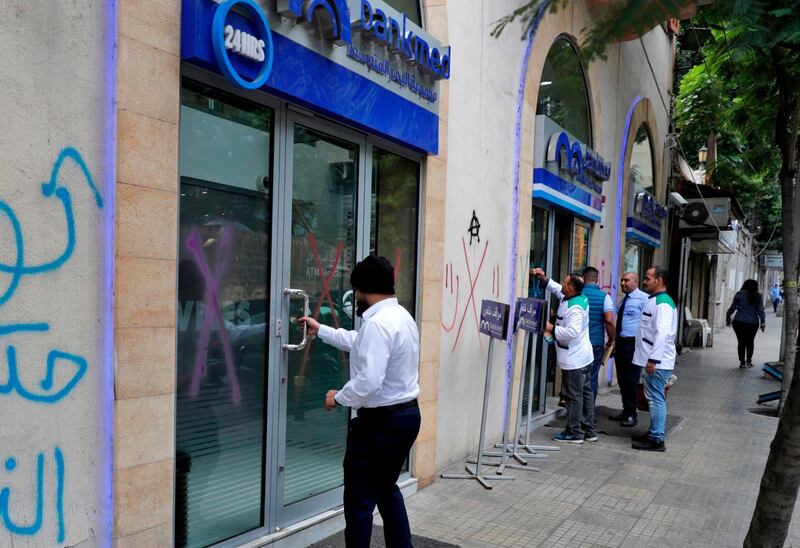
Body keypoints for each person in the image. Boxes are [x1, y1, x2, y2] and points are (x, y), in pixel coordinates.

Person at [299, 255, 420, 548]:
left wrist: (337, 397)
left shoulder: (378, 324)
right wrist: (322, 330)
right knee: (386, 490)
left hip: (380, 424)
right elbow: (361, 342)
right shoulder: (400, 317)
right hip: (406, 418)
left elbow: (368, 382)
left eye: (356, 291)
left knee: (359, 501)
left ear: (364, 289)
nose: (356, 297)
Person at [533, 267, 596, 444]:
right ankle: (589, 430)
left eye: (565, 283)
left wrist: (550, 327)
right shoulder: (575, 297)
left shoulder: (575, 307)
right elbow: (557, 290)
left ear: (571, 288)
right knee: (585, 393)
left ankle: (574, 432)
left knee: (573, 396)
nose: (562, 284)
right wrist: (545, 280)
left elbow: (573, 331)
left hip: (575, 360)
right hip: (584, 357)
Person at [631, 266, 677, 452]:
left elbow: (662, 333)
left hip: (657, 362)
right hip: (651, 359)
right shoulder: (655, 300)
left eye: (648, 278)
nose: (644, 281)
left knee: (656, 398)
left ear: (659, 281)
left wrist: (654, 360)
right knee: (653, 397)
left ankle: (657, 438)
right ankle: (653, 432)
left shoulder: (663, 303)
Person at [609, 272, 649, 427]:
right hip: (621, 342)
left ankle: (632, 414)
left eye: (626, 281)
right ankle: (626, 410)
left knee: (631, 380)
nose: (623, 283)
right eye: (622, 280)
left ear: (635, 283)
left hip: (633, 344)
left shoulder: (644, 299)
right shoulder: (623, 300)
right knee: (622, 379)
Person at [581, 266, 616, 400]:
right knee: (592, 378)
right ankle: (588, 414)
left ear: (583, 278)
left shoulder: (576, 294)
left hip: (577, 344)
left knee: (576, 379)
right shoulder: (604, 297)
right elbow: (609, 320)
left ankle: (575, 413)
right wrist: (612, 340)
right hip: (595, 343)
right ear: (597, 279)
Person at [726, 279, 766, 368]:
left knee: (741, 342)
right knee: (750, 342)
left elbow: (732, 308)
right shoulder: (758, 296)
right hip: (752, 323)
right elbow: (761, 311)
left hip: (738, 322)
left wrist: (728, 317)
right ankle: (749, 361)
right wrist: (763, 322)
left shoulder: (739, 294)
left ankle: (742, 363)